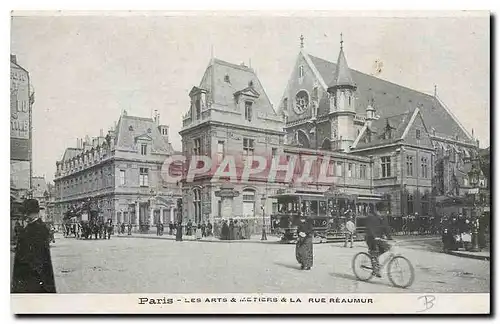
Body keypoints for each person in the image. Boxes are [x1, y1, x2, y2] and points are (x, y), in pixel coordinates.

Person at [12, 199, 56, 293]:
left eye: (27, 213)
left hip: (32, 275)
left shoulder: (38, 228)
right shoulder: (32, 227)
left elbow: (37, 255)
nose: (25, 216)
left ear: (32, 213)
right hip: (31, 272)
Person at [365, 204, 392, 278]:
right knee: (374, 251)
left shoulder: (384, 218)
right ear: (378, 211)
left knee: (387, 247)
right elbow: (370, 228)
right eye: (383, 211)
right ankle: (375, 268)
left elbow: (386, 227)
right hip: (371, 238)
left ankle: (375, 259)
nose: (385, 213)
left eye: (385, 212)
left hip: (379, 238)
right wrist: (375, 236)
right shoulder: (371, 217)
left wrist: (390, 237)